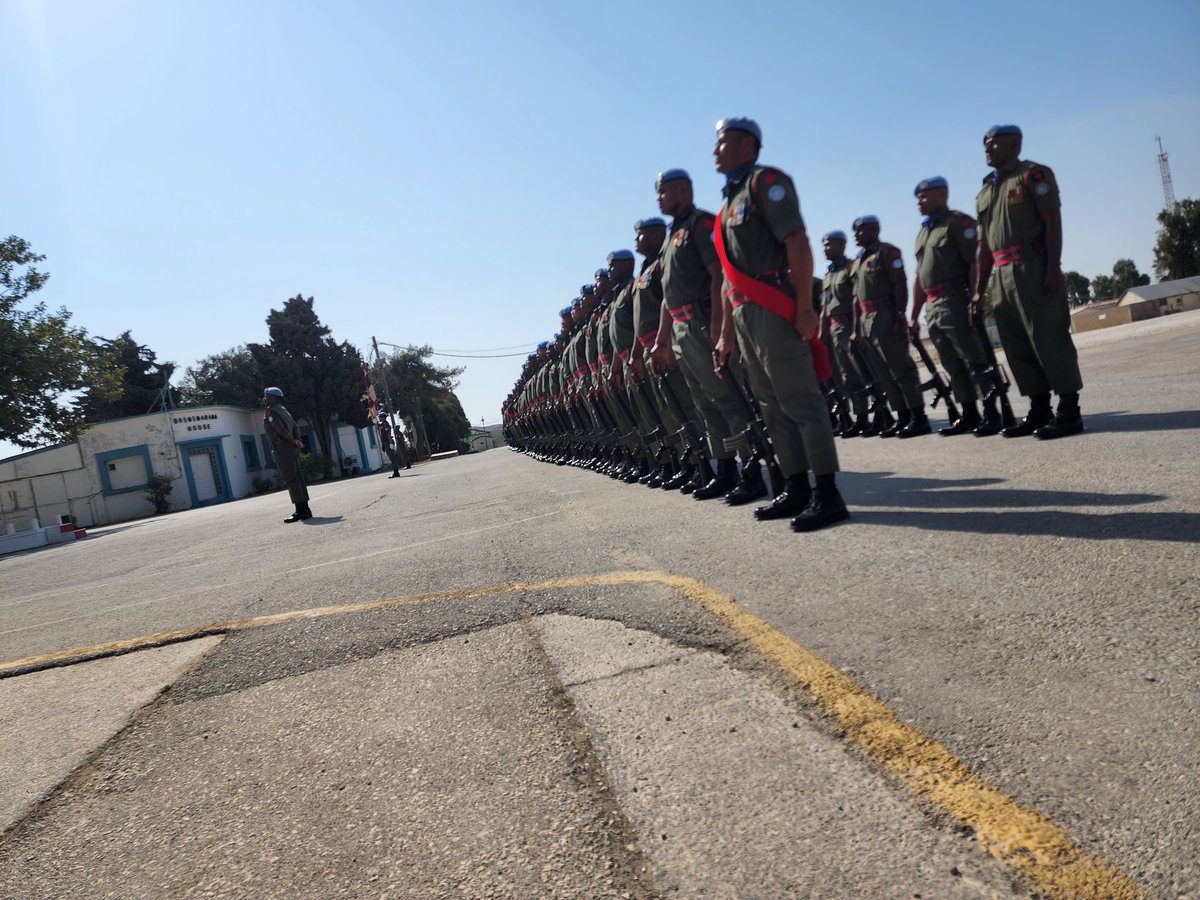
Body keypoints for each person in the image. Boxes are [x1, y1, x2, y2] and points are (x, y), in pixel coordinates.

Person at [709, 117, 848, 531]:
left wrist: (806, 307)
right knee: (772, 407)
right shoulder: (726, 205)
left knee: (801, 402)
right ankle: (796, 487)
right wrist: (724, 337)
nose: (715, 151)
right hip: (745, 315)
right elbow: (727, 281)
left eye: (723, 143)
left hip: (775, 308)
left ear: (748, 146)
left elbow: (798, 243)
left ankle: (828, 493)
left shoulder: (766, 183)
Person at [651, 167, 765, 504]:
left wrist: (719, 326)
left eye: (664, 191)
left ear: (684, 190)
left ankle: (753, 469)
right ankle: (726, 468)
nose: (659, 198)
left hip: (703, 323)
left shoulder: (702, 225)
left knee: (729, 396)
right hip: (683, 330)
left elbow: (719, 276)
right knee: (705, 402)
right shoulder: (673, 239)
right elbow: (667, 297)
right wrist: (662, 340)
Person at [972, 125, 1083, 439]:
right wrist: (978, 292)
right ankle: (1039, 408)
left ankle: (1069, 410)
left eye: (993, 142)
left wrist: (1053, 269)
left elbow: (1052, 222)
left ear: (1014, 144)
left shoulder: (1033, 175)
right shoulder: (985, 191)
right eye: (985, 143)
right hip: (1001, 274)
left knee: (1048, 337)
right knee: (1017, 344)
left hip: (1032, 265)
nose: (987, 148)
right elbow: (983, 246)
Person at [910, 177, 1002, 436]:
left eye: (924, 196)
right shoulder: (923, 233)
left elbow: (975, 261)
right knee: (951, 362)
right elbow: (919, 277)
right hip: (933, 304)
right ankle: (970, 413)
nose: (919, 201)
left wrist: (976, 296)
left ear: (942, 194)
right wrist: (914, 315)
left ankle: (993, 411)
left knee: (974, 357)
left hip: (955, 298)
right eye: (917, 197)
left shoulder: (958, 223)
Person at [850, 215, 931, 438]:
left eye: (861, 230)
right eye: (855, 231)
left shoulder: (887, 252)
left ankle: (918, 417)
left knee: (901, 368)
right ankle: (903, 416)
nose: (856, 234)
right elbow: (856, 298)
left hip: (886, 314)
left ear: (875, 229)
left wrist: (899, 316)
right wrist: (856, 330)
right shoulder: (858, 261)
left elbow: (899, 284)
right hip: (867, 319)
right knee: (883, 373)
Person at [820, 230, 871, 436]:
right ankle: (859, 419)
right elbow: (825, 309)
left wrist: (857, 330)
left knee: (865, 373)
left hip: (851, 325)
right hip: (835, 328)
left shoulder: (850, 268)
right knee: (847, 377)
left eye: (829, 244)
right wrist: (820, 335)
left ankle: (877, 415)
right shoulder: (829, 274)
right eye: (824, 245)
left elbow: (857, 299)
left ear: (841, 245)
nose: (825, 248)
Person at [262, 386, 312, 523]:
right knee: (298, 478)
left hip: (283, 448)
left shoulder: (271, 412)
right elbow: (295, 426)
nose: (264, 399)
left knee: (291, 479)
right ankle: (305, 510)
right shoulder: (284, 410)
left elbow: (280, 430)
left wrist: (292, 440)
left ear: (272, 398)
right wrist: (297, 441)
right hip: (292, 447)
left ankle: (300, 512)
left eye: (266, 396)